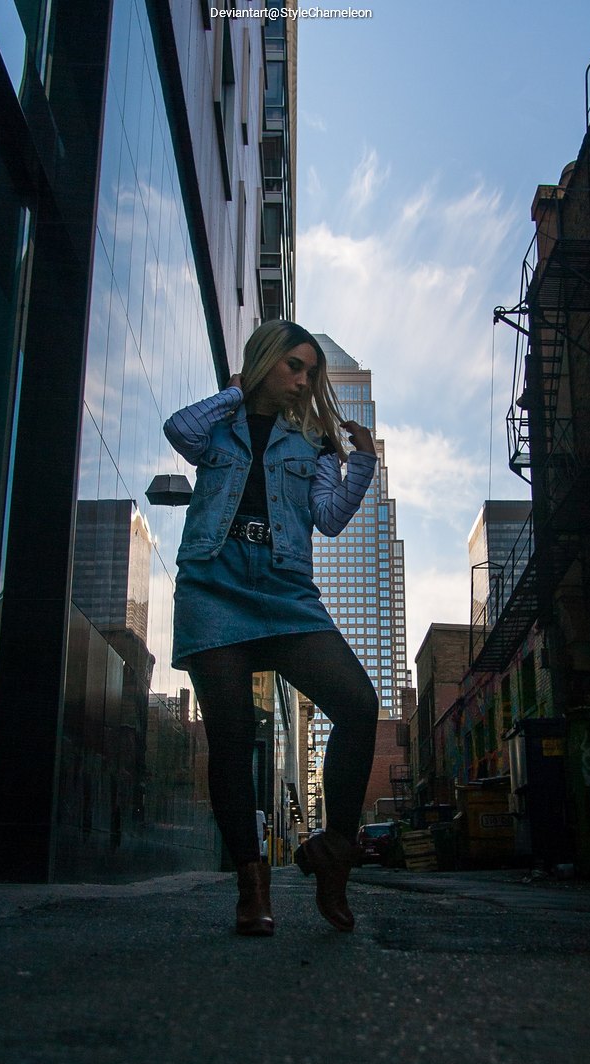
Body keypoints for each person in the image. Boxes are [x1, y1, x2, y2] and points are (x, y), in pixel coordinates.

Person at [163, 320, 379, 936]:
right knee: (230, 738)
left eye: (311, 371)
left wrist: (361, 462)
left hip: (285, 592)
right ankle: (251, 887)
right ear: (265, 363)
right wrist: (237, 392)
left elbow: (329, 518)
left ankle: (334, 852)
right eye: (294, 366)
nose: (305, 379)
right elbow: (179, 429)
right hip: (215, 584)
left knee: (358, 705)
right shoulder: (218, 427)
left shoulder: (308, 441)